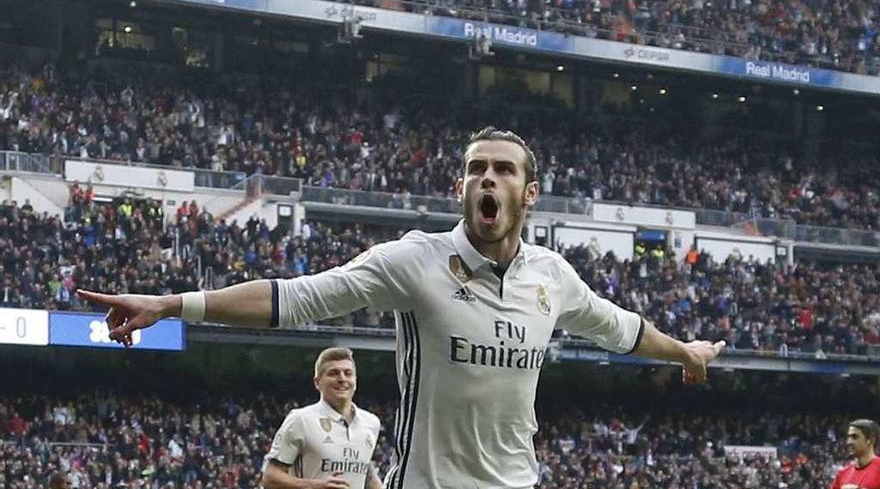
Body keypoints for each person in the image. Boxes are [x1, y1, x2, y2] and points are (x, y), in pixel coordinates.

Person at [78, 126, 726, 488]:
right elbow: (295, 298)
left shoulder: (551, 278)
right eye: (477, 169)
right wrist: (169, 301)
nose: (487, 179)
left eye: (502, 170)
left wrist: (685, 351)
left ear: (529, 193)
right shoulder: (414, 261)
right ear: (462, 186)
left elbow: (623, 329)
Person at [263, 347, 382, 489]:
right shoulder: (300, 419)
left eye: (348, 373)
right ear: (317, 382)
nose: (342, 379)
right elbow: (270, 477)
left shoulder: (371, 423)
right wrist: (313, 485)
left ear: (355, 380)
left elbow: (366, 469)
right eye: (333, 373)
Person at [831, 419, 880, 489]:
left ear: (870, 440)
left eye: (855, 437)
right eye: (849, 437)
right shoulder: (842, 474)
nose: (849, 442)